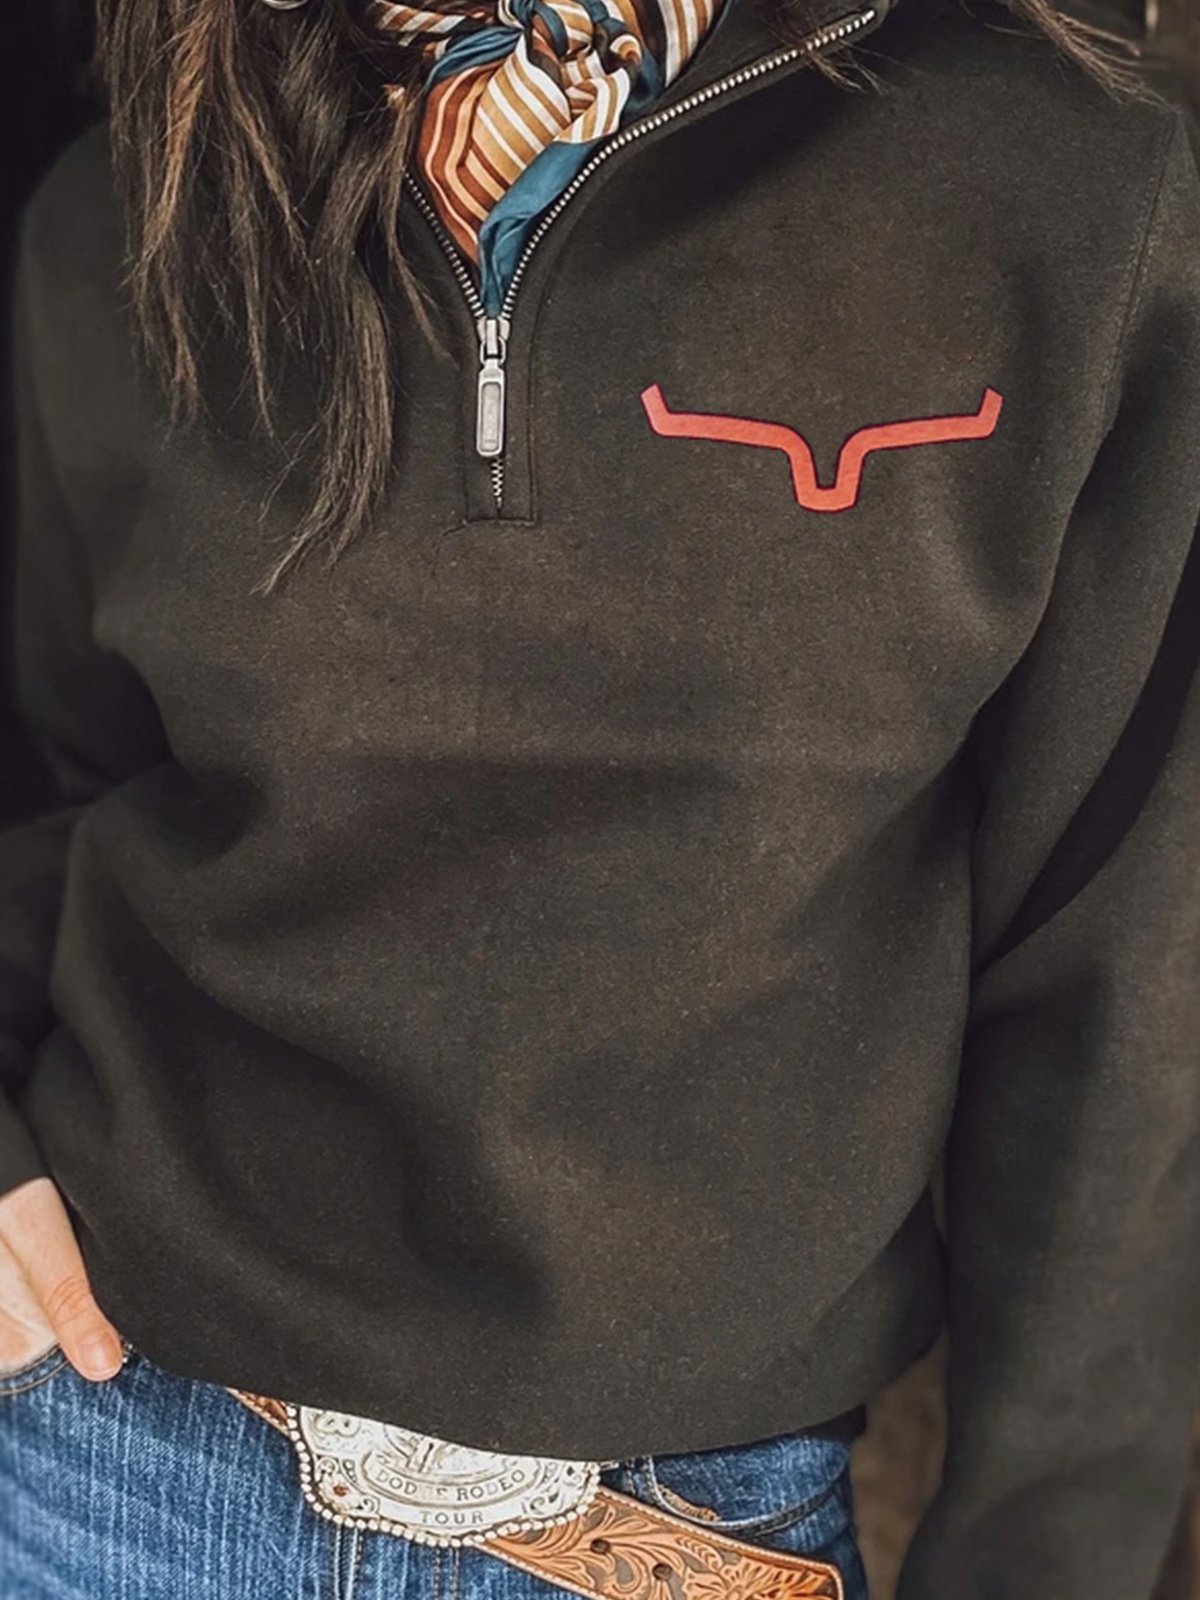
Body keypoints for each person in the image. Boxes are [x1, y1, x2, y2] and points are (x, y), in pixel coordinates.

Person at [1, 0, 1199, 1594]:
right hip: (96, 1448)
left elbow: (1126, 974)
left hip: (679, 1529)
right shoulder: (125, 199)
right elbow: (51, 784)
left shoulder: (1072, 189)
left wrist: (1046, 1561)